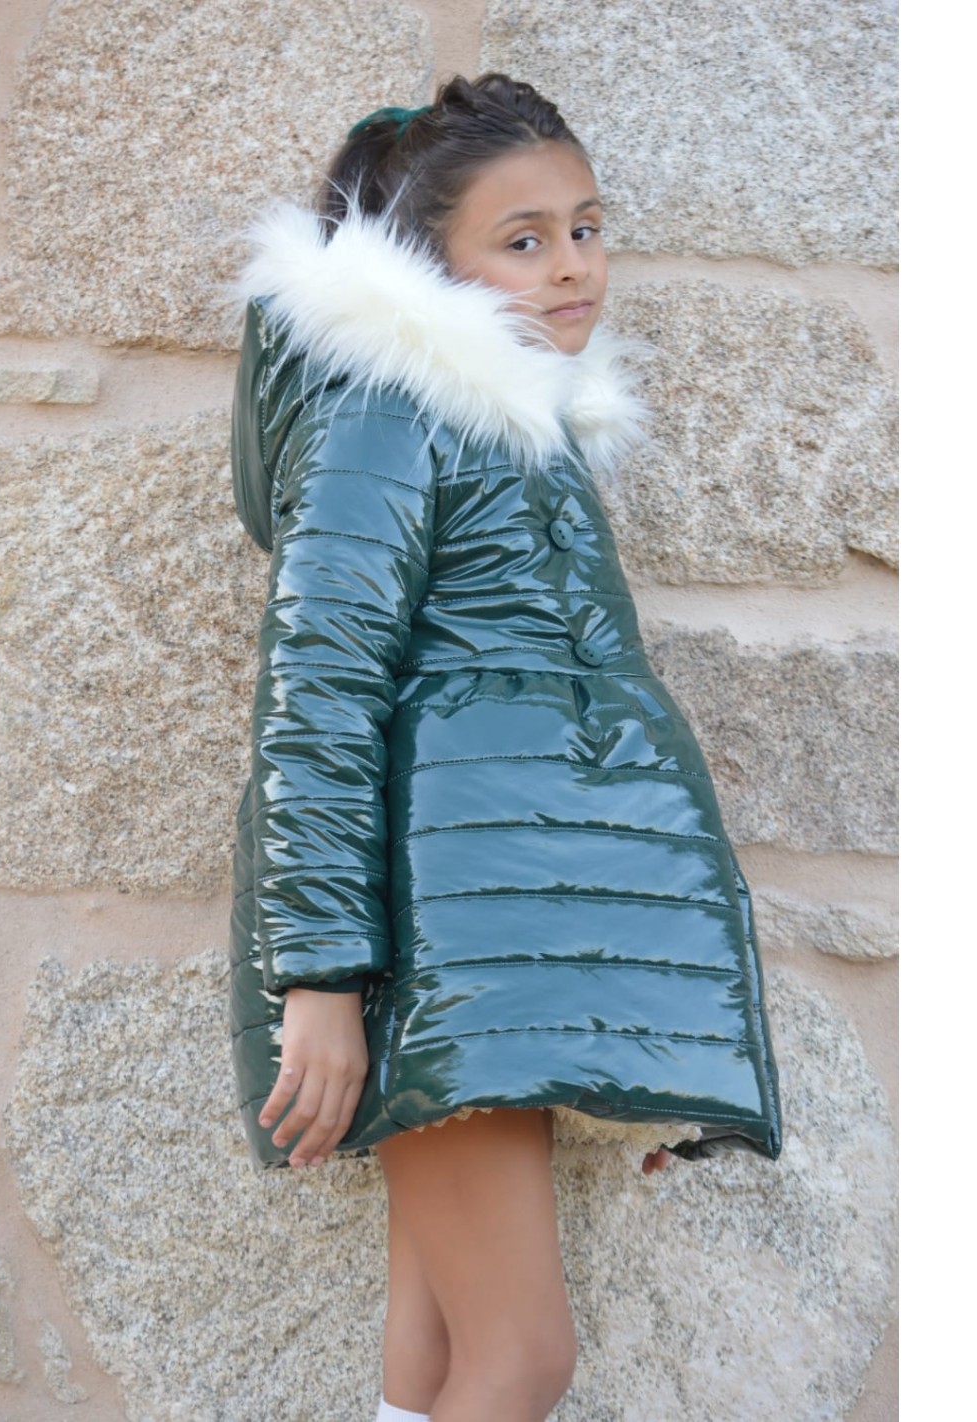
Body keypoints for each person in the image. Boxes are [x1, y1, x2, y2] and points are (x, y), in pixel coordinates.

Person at [227, 73, 781, 1422]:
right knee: (524, 1358)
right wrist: (321, 977)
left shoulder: (518, 435)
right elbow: (318, 688)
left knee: (435, 1351)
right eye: (523, 239)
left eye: (585, 227)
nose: (573, 264)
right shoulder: (390, 412)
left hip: (500, 951)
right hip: (435, 951)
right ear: (429, 266)